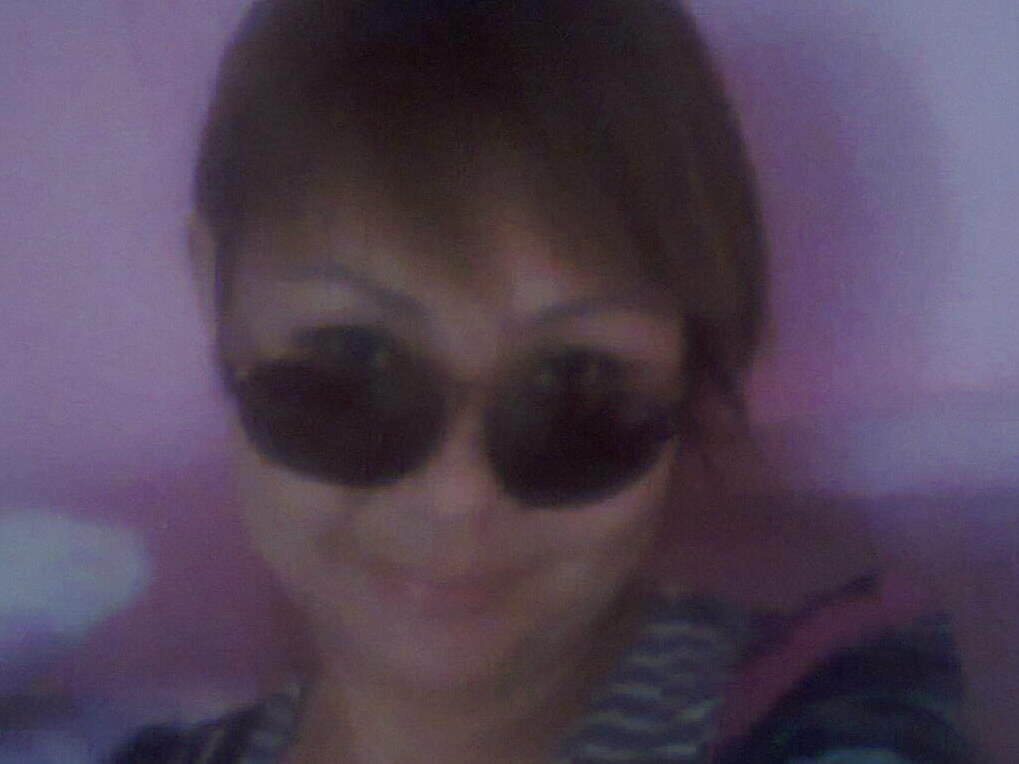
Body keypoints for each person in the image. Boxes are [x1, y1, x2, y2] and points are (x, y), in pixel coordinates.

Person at [113, 0, 977, 761]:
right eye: (357, 358)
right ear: (215, 294)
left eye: (578, 380)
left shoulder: (822, 702)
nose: (457, 498)